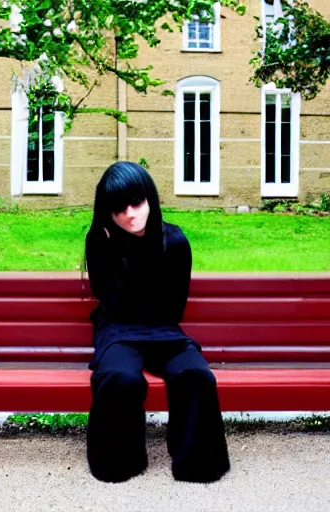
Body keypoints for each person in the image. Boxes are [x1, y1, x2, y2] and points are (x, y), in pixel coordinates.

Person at [84, 161, 230, 484]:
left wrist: (136, 262)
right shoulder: (99, 242)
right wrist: (118, 253)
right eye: (118, 209)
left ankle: (198, 465)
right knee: (120, 377)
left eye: (136, 203)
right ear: (106, 212)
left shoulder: (175, 243)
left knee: (195, 375)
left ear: (150, 199)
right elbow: (114, 302)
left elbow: (172, 308)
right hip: (118, 330)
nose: (130, 215)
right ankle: (120, 464)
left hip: (163, 330)